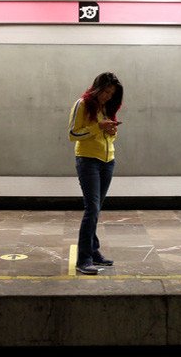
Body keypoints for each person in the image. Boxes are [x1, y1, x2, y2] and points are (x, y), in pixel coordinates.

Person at [68, 72, 123, 275]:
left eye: (111, 93)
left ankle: (93, 250)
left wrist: (111, 132)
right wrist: (97, 127)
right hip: (88, 161)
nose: (108, 96)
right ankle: (84, 259)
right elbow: (73, 134)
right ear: (97, 88)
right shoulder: (82, 104)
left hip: (108, 161)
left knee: (96, 208)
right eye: (106, 91)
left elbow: (107, 137)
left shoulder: (105, 107)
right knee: (91, 208)